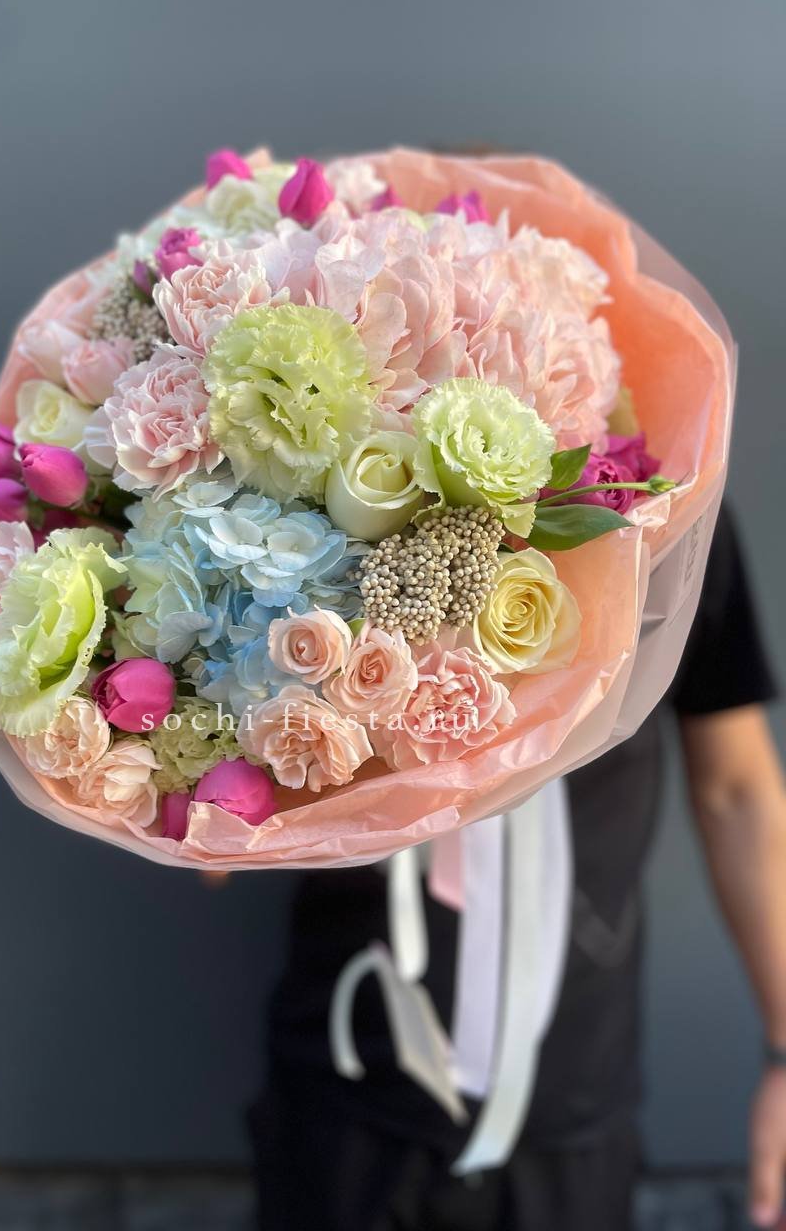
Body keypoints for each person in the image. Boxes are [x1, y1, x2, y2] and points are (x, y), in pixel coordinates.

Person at [248, 506, 786, 1231]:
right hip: (347, 1073)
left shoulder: (676, 503)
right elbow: (230, 815)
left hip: (575, 1088)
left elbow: (737, 789)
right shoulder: (328, 493)